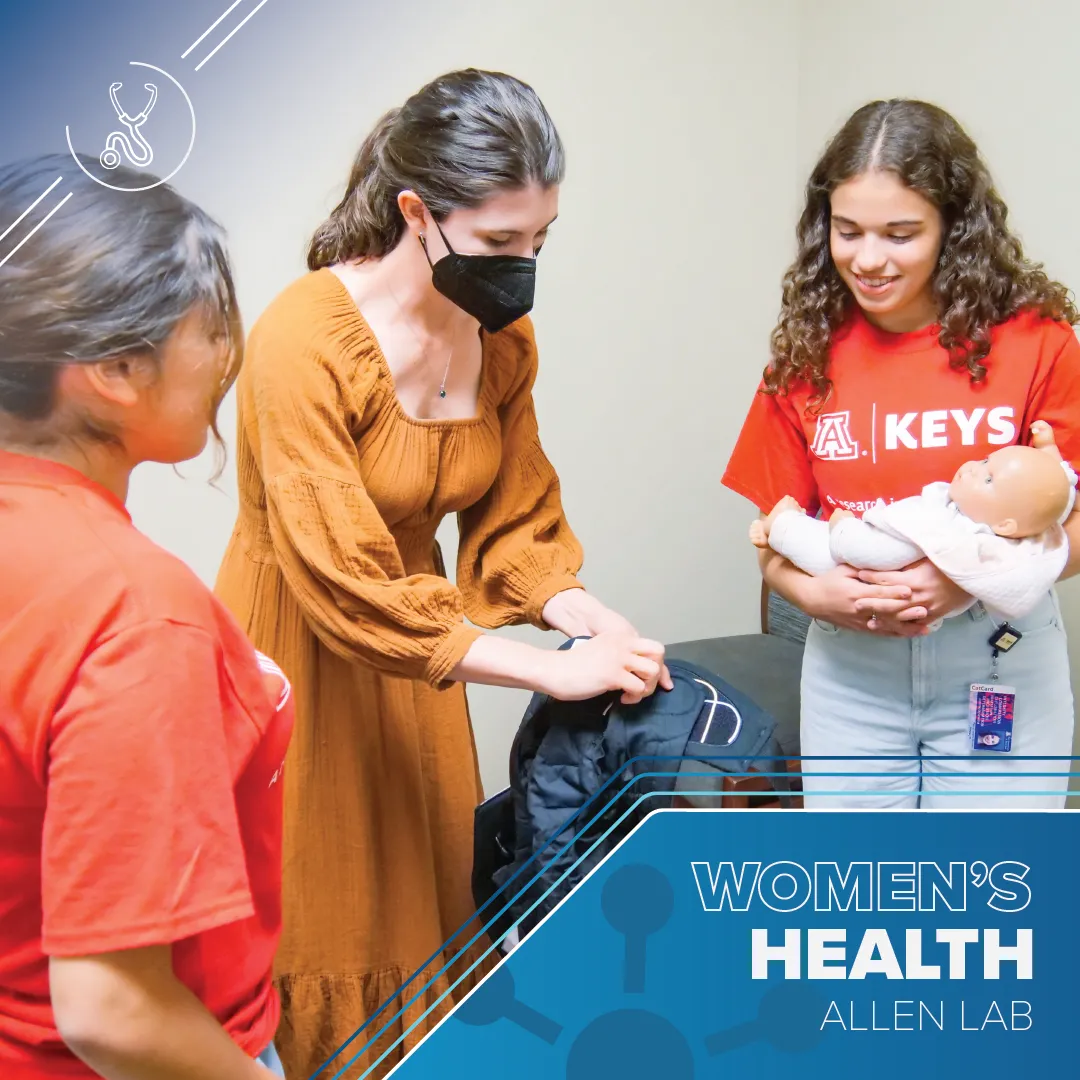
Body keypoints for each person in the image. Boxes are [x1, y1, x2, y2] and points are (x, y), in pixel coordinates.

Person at [214, 68, 669, 1078]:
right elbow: (343, 584)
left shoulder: (501, 343)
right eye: (502, 243)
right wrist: (549, 670)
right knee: (320, 924)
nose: (523, 267)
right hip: (303, 659)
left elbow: (517, 522)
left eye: (540, 241)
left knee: (427, 925)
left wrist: (585, 615)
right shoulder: (303, 340)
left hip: (424, 668)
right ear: (417, 213)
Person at [0, 155, 291, 1078]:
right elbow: (115, 1009)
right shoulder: (132, 611)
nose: (222, 362)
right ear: (117, 370)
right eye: (208, 332)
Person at [723, 99, 1080, 809]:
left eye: (901, 233)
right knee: (861, 897)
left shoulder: (1039, 342)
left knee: (993, 897)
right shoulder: (806, 354)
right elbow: (776, 534)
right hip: (851, 671)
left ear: (954, 228)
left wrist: (970, 579)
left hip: (999, 659)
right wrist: (812, 594)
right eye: (847, 230)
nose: (869, 259)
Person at [750, 420, 1077, 625]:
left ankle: (781, 527)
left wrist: (842, 529)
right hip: (850, 632)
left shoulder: (951, 533)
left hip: (861, 559)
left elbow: (871, 552)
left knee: (824, 553)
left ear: (1006, 525)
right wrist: (1048, 450)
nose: (973, 469)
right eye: (984, 460)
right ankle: (778, 529)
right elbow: (1054, 497)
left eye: (989, 480)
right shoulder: (971, 512)